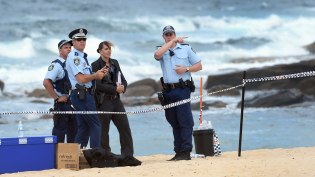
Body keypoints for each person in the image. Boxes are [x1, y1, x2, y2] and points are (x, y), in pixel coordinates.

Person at [154, 25, 202, 161]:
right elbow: (157, 56)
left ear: (175, 34)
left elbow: (199, 65)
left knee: (184, 120)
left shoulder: (185, 48)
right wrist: (171, 43)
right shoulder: (161, 50)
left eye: (171, 34)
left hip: (182, 89)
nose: (169, 36)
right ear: (163, 37)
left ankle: (185, 151)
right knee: (173, 121)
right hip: (168, 90)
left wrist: (186, 69)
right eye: (166, 35)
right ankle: (178, 151)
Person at [91, 41, 141, 166]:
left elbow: (122, 78)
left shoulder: (115, 62)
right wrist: (114, 89)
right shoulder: (95, 65)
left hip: (116, 101)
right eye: (106, 49)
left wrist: (123, 87)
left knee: (125, 128)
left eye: (110, 49)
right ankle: (105, 156)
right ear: (100, 51)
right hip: (103, 102)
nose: (109, 51)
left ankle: (128, 156)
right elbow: (98, 86)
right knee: (104, 131)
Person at [66, 28, 108, 148]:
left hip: (83, 94)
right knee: (95, 125)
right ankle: (96, 154)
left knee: (84, 127)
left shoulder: (81, 56)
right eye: (79, 39)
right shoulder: (75, 57)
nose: (82, 41)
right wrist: (95, 75)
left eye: (84, 39)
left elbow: (85, 77)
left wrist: (97, 73)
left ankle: (77, 156)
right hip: (81, 95)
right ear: (73, 42)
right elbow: (81, 79)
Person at [43, 39, 77, 143]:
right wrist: (57, 98)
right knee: (59, 134)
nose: (69, 49)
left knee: (74, 132)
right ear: (60, 51)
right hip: (61, 105)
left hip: (72, 103)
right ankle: (56, 158)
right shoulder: (57, 65)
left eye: (70, 47)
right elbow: (46, 82)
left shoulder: (71, 64)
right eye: (65, 47)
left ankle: (70, 158)